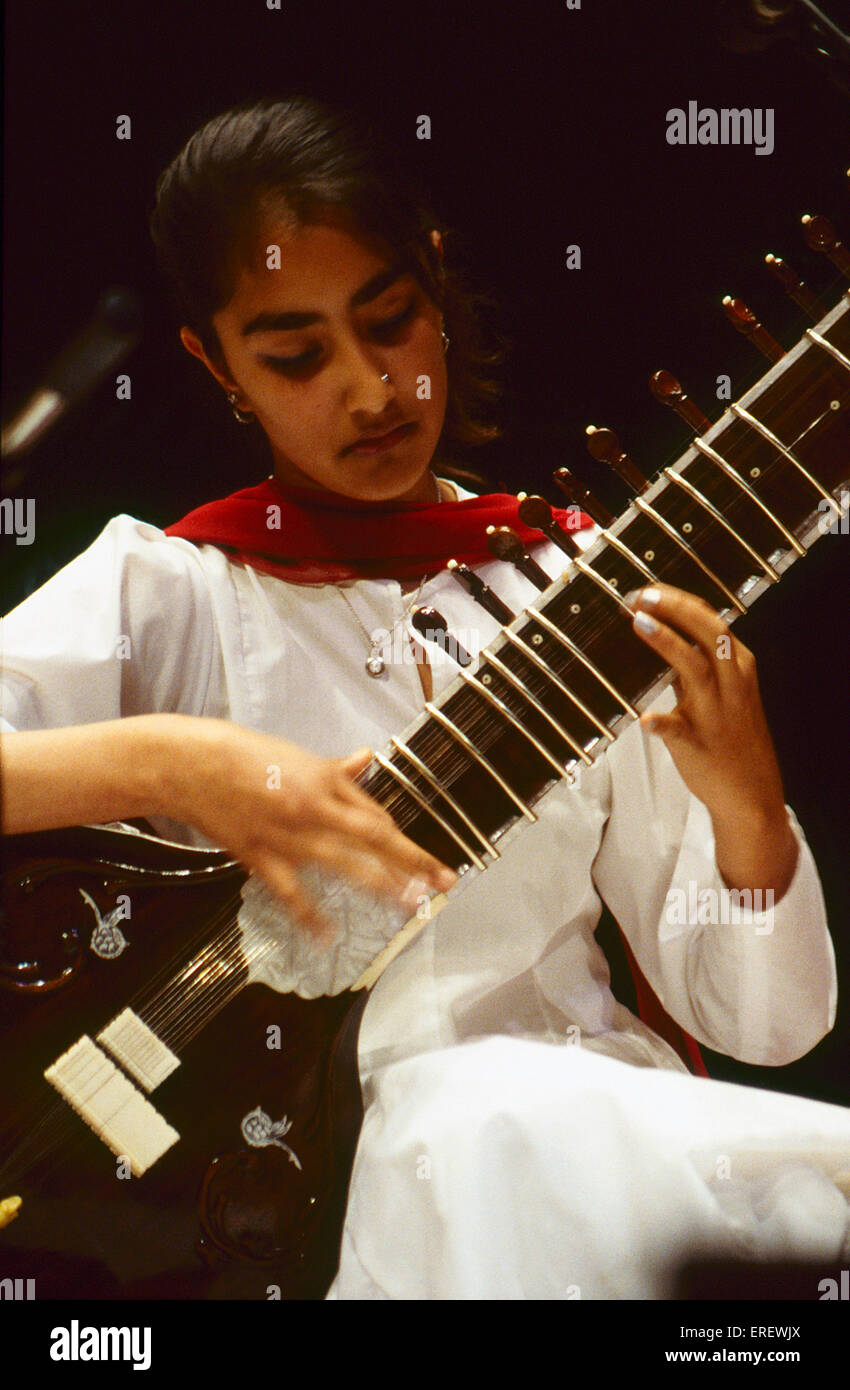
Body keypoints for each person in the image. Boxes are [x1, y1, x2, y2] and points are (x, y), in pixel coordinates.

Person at [2, 96, 848, 1300]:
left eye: (391, 323)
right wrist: (174, 762)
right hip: (324, 1217)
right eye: (294, 355)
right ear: (214, 364)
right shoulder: (169, 590)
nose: (366, 389)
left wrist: (748, 807)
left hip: (591, 1152)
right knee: (475, 1116)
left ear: (437, 285)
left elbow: (769, 1029)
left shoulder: (580, 595)